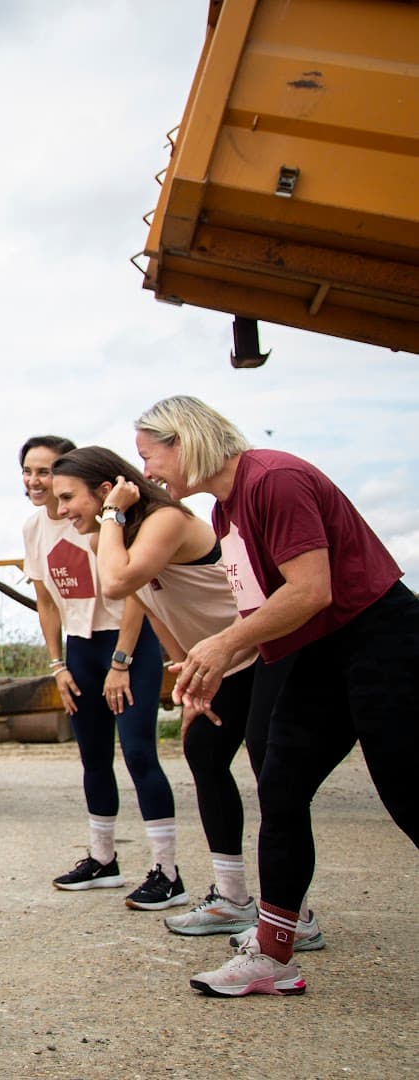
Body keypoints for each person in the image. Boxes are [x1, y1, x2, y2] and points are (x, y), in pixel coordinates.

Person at [133, 395, 419, 997]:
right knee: (281, 786)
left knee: (407, 790)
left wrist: (219, 644)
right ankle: (273, 954)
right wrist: (210, 665)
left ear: (184, 440)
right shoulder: (224, 513)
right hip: (315, 650)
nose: (149, 474)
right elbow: (262, 613)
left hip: (379, 635)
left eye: (150, 457)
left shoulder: (275, 478)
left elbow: (311, 590)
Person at [51, 445, 305, 941]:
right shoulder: (123, 533)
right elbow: (154, 606)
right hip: (224, 661)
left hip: (265, 647)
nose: (61, 511)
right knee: (205, 755)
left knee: (274, 774)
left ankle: (293, 914)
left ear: (106, 492)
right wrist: (187, 676)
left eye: (68, 498)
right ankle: (233, 898)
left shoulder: (163, 520)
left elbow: (119, 584)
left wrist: (109, 517)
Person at [21, 436, 180, 909]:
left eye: (46, 472)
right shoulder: (33, 528)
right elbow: (45, 600)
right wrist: (57, 665)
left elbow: (136, 591)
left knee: (137, 753)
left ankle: (168, 873)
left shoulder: (102, 522)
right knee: (93, 757)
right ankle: (103, 860)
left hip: (125, 643)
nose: (35, 481)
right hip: (80, 649)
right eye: (27, 470)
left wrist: (121, 663)